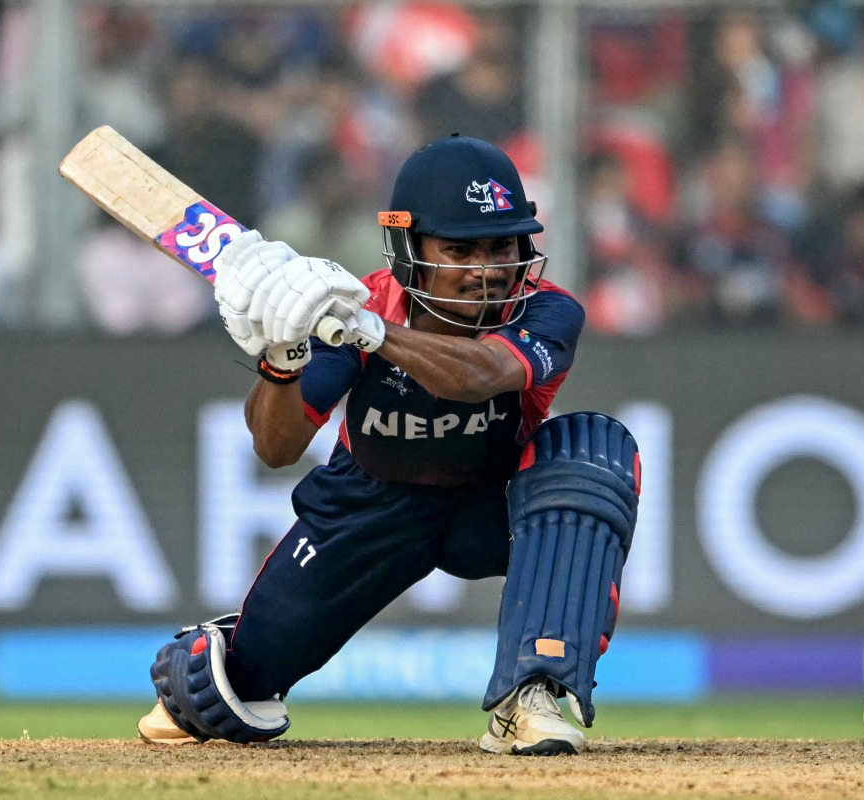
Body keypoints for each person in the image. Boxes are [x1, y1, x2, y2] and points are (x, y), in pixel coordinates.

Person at [137, 134, 641, 756]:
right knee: (218, 695)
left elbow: (481, 375)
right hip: (369, 508)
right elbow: (276, 447)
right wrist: (282, 357)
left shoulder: (546, 311)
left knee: (591, 453)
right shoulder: (358, 307)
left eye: (501, 246)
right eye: (459, 249)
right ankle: (232, 655)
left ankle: (532, 695)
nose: (485, 270)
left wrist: (371, 334)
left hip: (495, 504)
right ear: (410, 250)